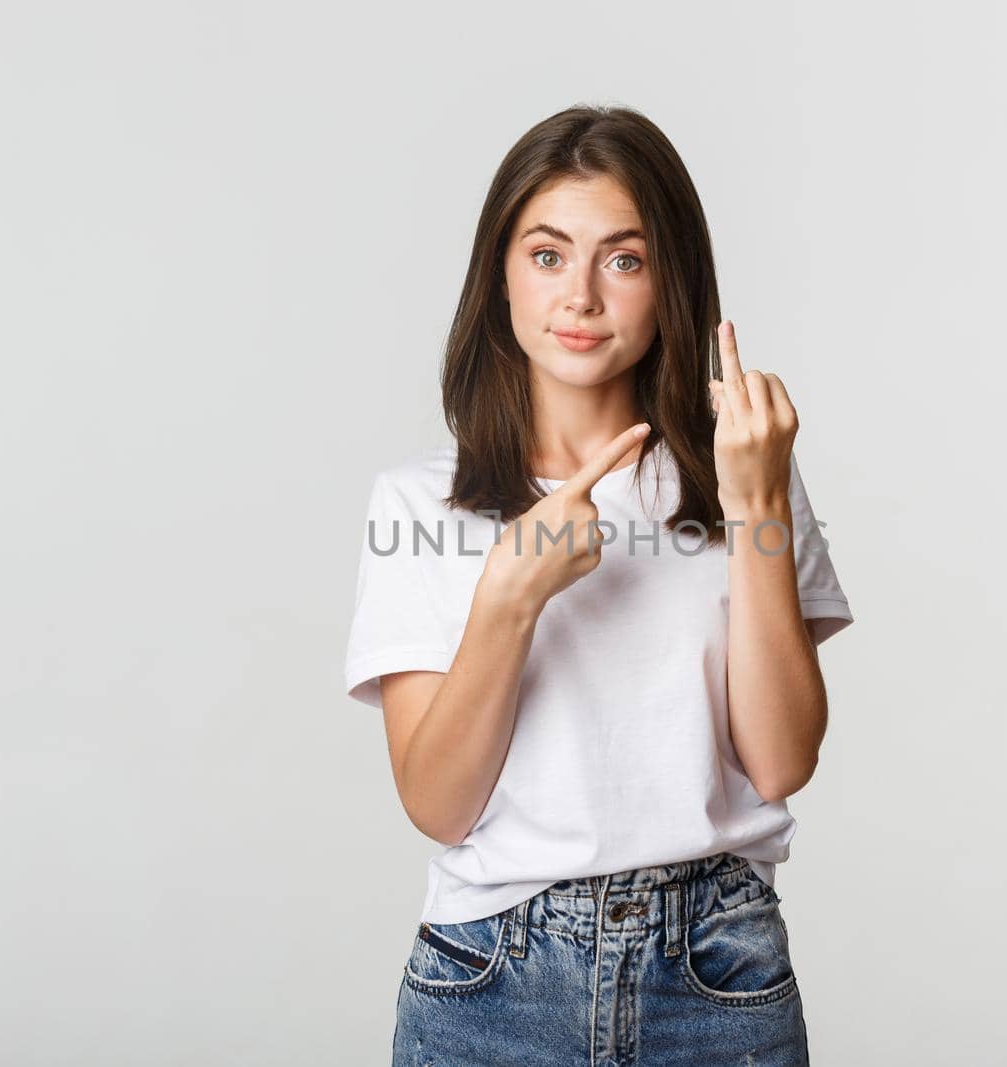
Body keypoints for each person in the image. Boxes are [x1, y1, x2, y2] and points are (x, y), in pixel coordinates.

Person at [344, 104, 854, 1065]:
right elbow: (439, 804)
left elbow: (782, 761)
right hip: (492, 979)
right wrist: (509, 598)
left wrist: (755, 510)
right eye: (547, 255)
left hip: (716, 973)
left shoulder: (747, 473)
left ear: (671, 284)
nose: (579, 295)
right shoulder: (421, 501)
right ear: (499, 274)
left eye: (623, 259)